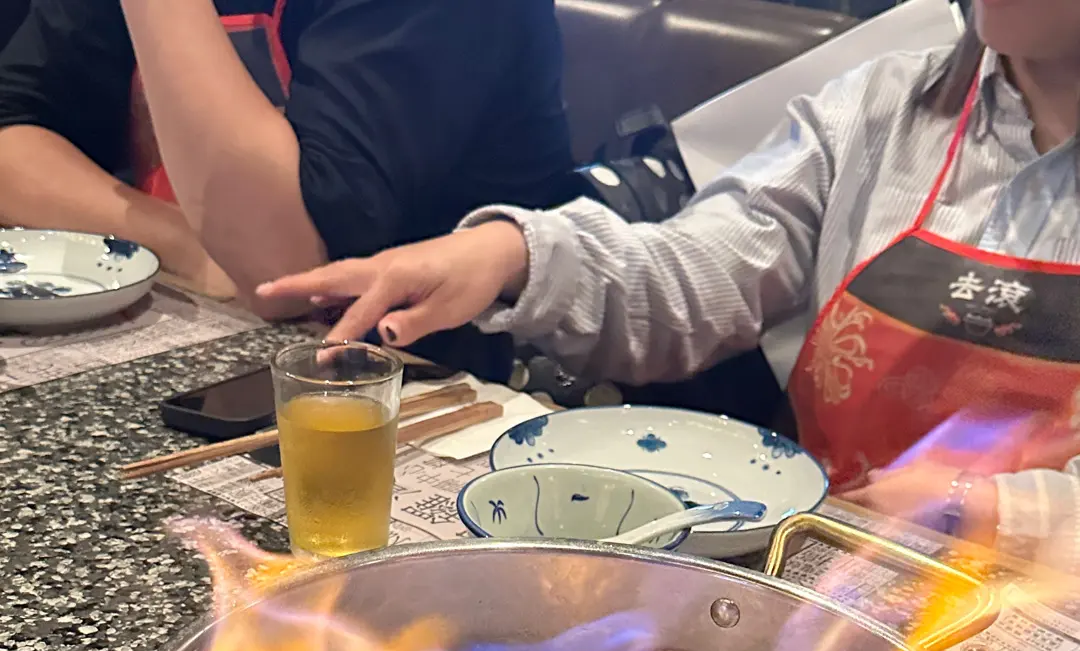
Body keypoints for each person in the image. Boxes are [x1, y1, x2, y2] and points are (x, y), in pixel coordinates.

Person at [260, 0, 1080, 573]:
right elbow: (700, 277)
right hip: (823, 573)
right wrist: (513, 254)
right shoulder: (878, 108)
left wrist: (990, 512)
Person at [0, 0, 574, 323]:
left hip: (438, 384)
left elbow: (285, 269)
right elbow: (12, 133)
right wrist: (185, 245)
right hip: (213, 333)